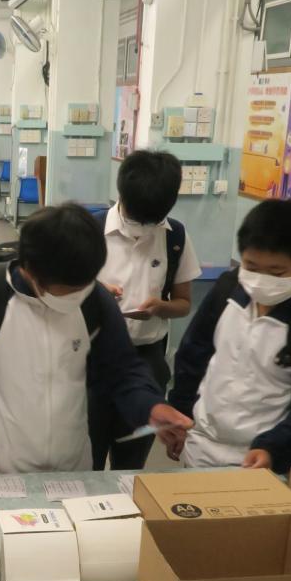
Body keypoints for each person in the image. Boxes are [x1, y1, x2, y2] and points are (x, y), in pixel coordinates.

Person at [0, 203, 192, 475]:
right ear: (30, 272)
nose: (78, 296)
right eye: (68, 290)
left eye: (85, 286)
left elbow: (123, 369)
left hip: (70, 466)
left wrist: (151, 406)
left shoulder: (95, 301)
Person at [169, 199, 291, 473]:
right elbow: (192, 356)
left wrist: (273, 449)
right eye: (251, 267)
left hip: (265, 462)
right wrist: (179, 414)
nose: (261, 279)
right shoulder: (227, 291)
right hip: (202, 445)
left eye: (276, 272)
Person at [90, 150, 202, 470]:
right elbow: (62, 292)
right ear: (122, 193)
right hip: (91, 358)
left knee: (131, 460)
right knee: (86, 455)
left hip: (146, 359)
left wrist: (160, 308)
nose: (144, 225)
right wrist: (95, 293)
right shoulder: (91, 230)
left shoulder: (175, 236)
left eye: (152, 219)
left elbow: (183, 304)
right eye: (137, 216)